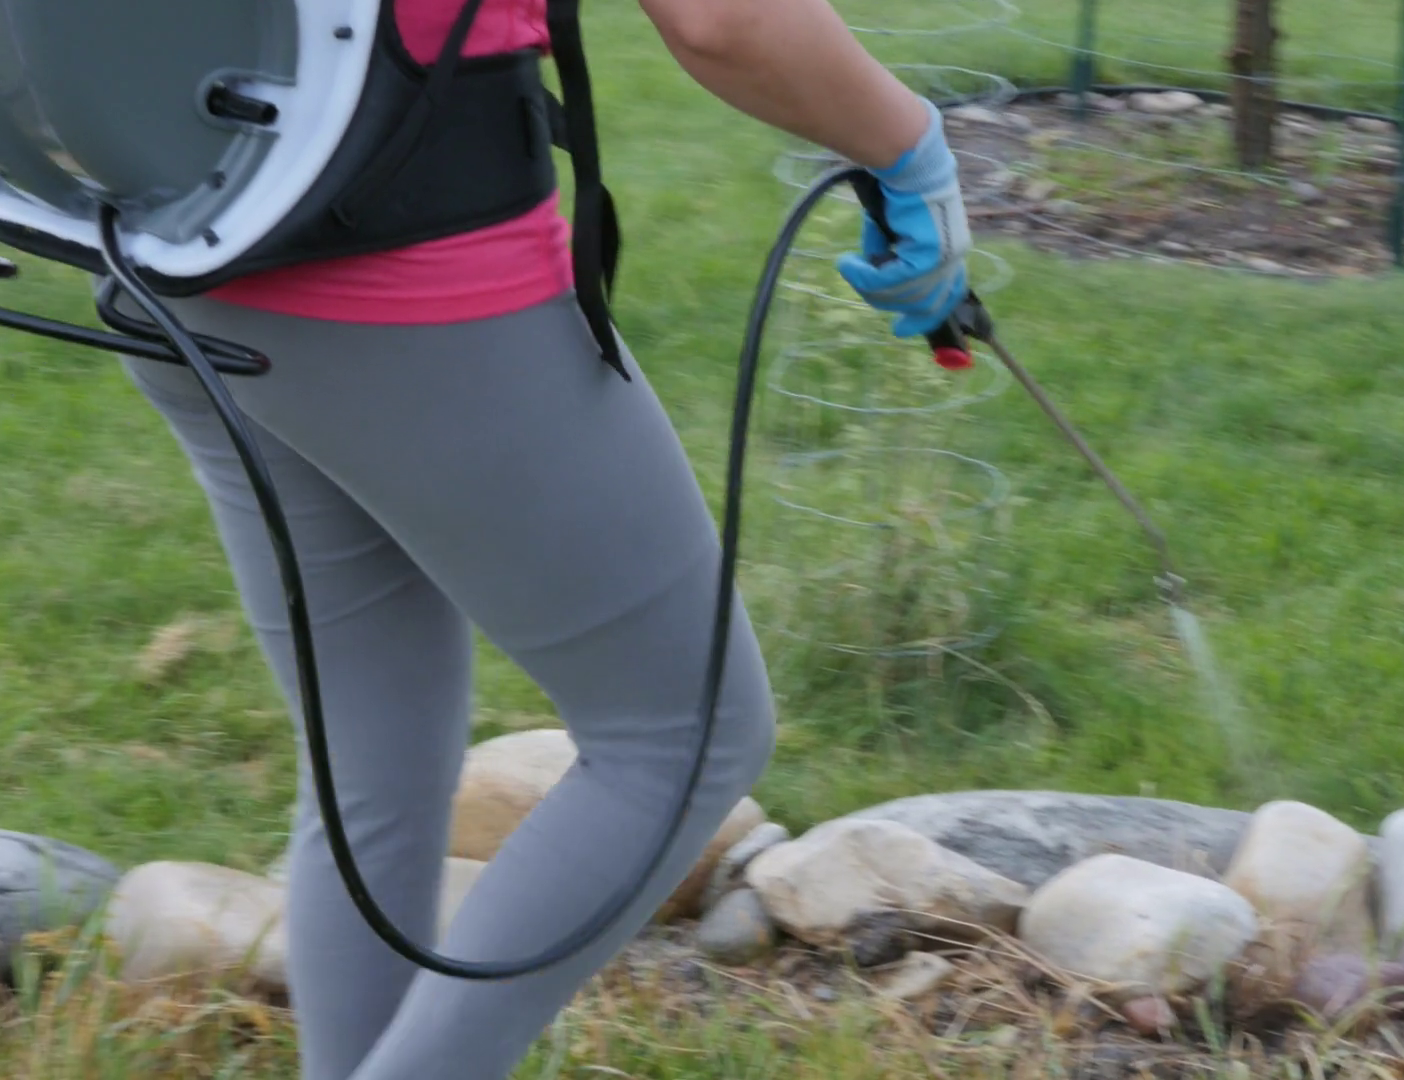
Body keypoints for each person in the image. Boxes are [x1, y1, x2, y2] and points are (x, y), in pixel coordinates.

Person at [112, 0, 972, 1077]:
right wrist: (909, 148)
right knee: (685, 729)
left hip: (171, 246)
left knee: (376, 750)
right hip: (403, 275)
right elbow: (724, 19)